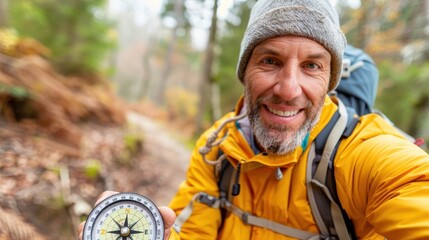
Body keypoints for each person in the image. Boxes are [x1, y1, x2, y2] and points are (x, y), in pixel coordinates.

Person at [78, 0, 429, 239]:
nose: (289, 89)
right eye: (271, 61)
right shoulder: (217, 149)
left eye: (311, 66)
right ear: (245, 70)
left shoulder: (367, 157)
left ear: (330, 82)